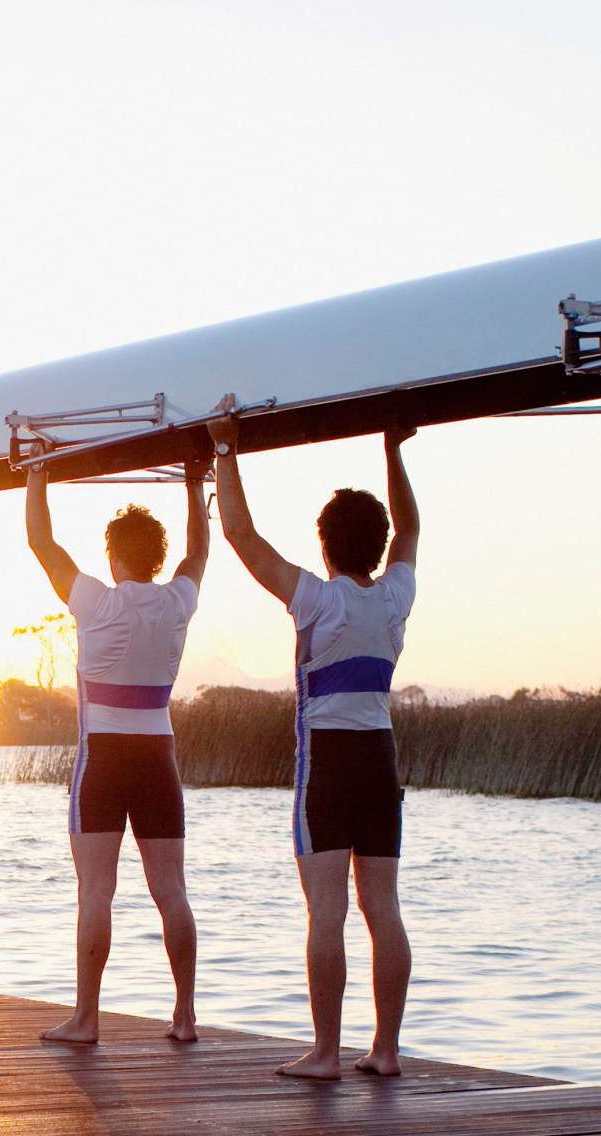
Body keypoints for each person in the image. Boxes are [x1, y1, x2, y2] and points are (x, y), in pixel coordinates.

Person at [209, 398, 419, 1081]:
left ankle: (326, 1053)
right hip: (381, 761)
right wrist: (394, 449)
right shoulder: (394, 597)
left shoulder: (319, 600)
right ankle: (384, 1050)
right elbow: (411, 527)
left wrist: (224, 447)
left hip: (327, 765)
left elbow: (240, 535)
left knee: (326, 912)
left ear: (325, 546)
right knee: (382, 907)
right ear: (377, 546)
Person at [21, 456, 209, 1045]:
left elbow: (39, 540)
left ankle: (87, 1018)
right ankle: (184, 1016)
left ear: (113, 556)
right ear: (156, 557)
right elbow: (198, 555)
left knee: (96, 890)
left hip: (102, 759)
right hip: (159, 758)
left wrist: (36, 474)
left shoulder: (96, 601)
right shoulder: (178, 601)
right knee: (171, 890)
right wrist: (194, 484)